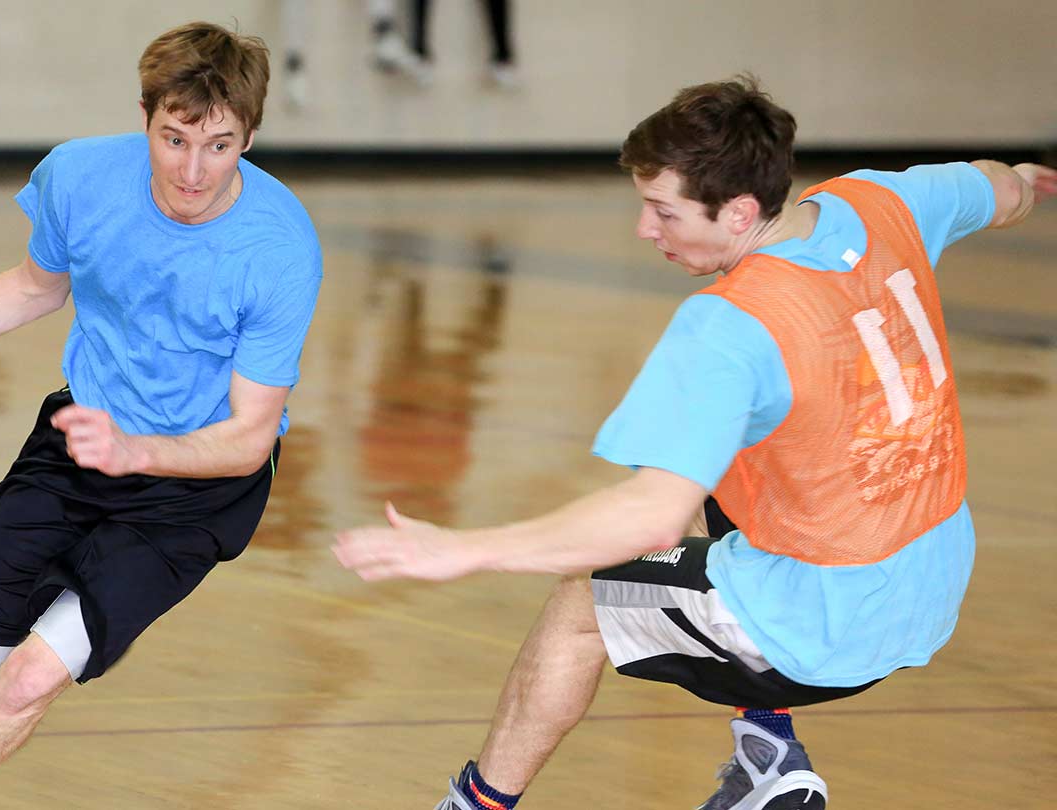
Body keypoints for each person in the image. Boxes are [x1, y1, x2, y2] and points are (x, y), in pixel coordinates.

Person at [333, 75, 1056, 810]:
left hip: (828, 628)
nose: (646, 229)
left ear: (740, 210)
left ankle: (476, 805)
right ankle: (768, 758)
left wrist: (466, 549)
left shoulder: (729, 324)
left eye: (662, 210)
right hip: (930, 584)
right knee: (732, 463)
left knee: (587, 595)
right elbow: (1003, 186)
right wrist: (1031, 181)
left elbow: (648, 516)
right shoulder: (882, 201)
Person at [0, 21, 323, 809]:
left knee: (29, 677)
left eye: (220, 146)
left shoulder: (278, 250)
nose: (194, 171)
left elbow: (246, 440)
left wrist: (137, 452)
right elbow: (38, 286)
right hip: (75, 444)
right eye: (174, 139)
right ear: (144, 115)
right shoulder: (79, 176)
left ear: (249, 136)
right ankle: (84, 610)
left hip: (191, 490)